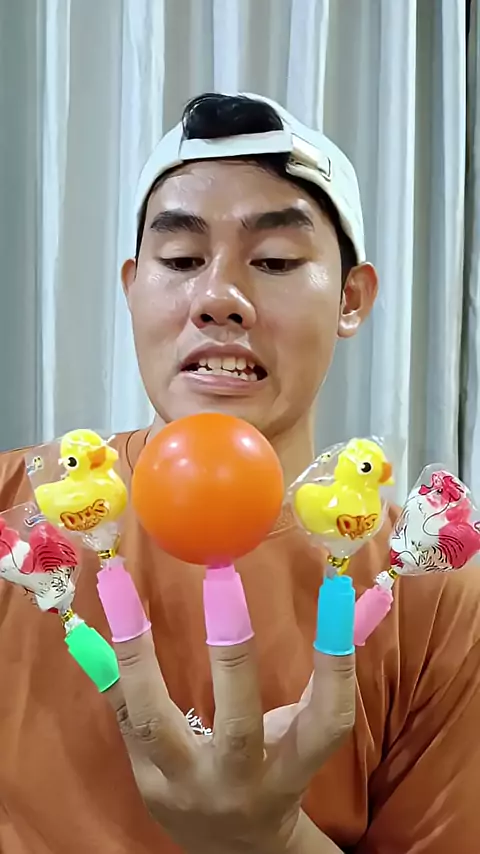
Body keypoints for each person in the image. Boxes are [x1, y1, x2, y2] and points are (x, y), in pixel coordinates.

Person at [0, 92, 479, 854]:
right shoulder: (15, 521)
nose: (218, 298)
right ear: (132, 287)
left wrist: (270, 838)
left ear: (352, 298)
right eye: (181, 260)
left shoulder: (436, 591)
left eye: (276, 261)